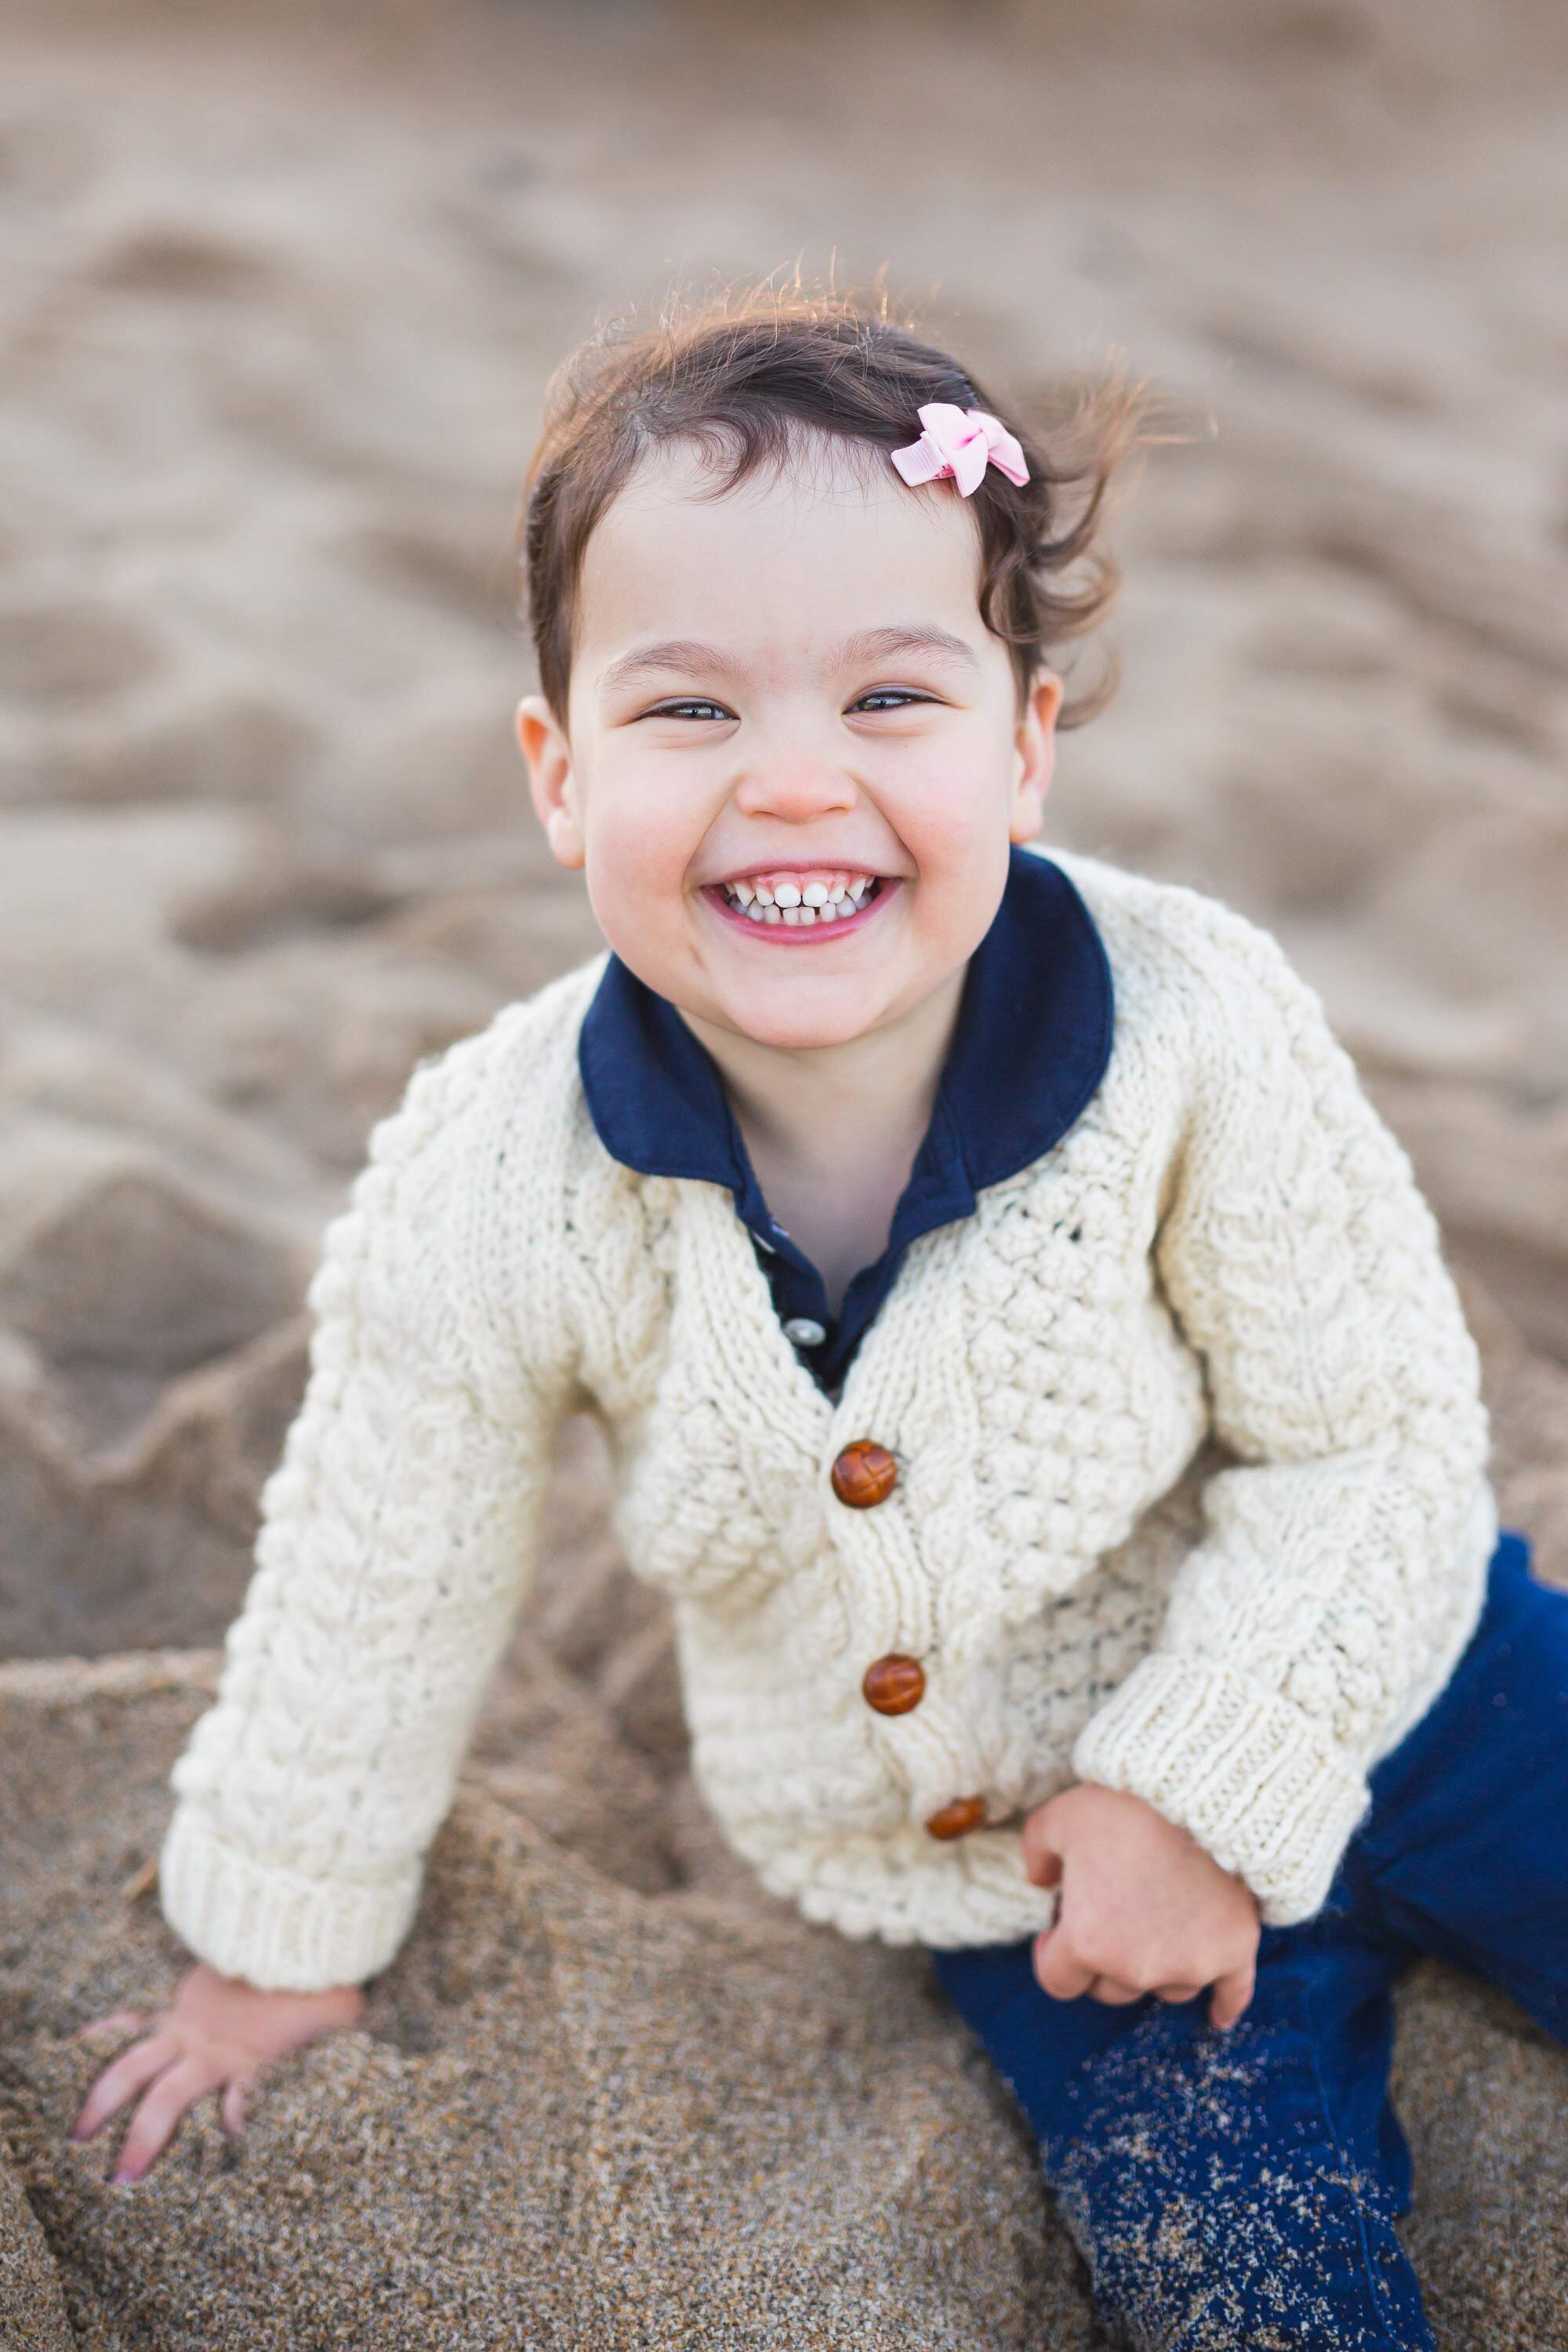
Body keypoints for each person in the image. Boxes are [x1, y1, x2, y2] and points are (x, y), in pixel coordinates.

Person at [68, 288, 1568, 2350]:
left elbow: (1376, 1438)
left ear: (1025, 745)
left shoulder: (1196, 1025)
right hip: (1013, 1876)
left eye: (889, 701)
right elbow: (379, 1566)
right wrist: (278, 1938)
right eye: (690, 712)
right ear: (557, 772)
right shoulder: (494, 1176)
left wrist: (1201, 1788)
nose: (792, 784)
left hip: (1401, 1670)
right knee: (1252, 2284)